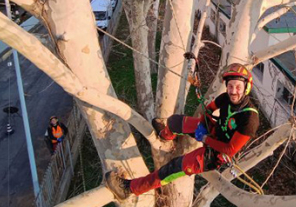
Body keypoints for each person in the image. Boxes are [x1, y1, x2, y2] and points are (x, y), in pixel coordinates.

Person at [105, 63, 260, 200]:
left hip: (215, 155)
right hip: (213, 130)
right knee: (175, 122)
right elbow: (211, 108)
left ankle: (129, 188)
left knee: (173, 168)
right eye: (230, 86)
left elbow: (230, 149)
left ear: (246, 87)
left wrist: (205, 139)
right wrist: (202, 122)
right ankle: (165, 137)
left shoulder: (250, 118)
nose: (233, 91)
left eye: (238, 87)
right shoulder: (226, 97)